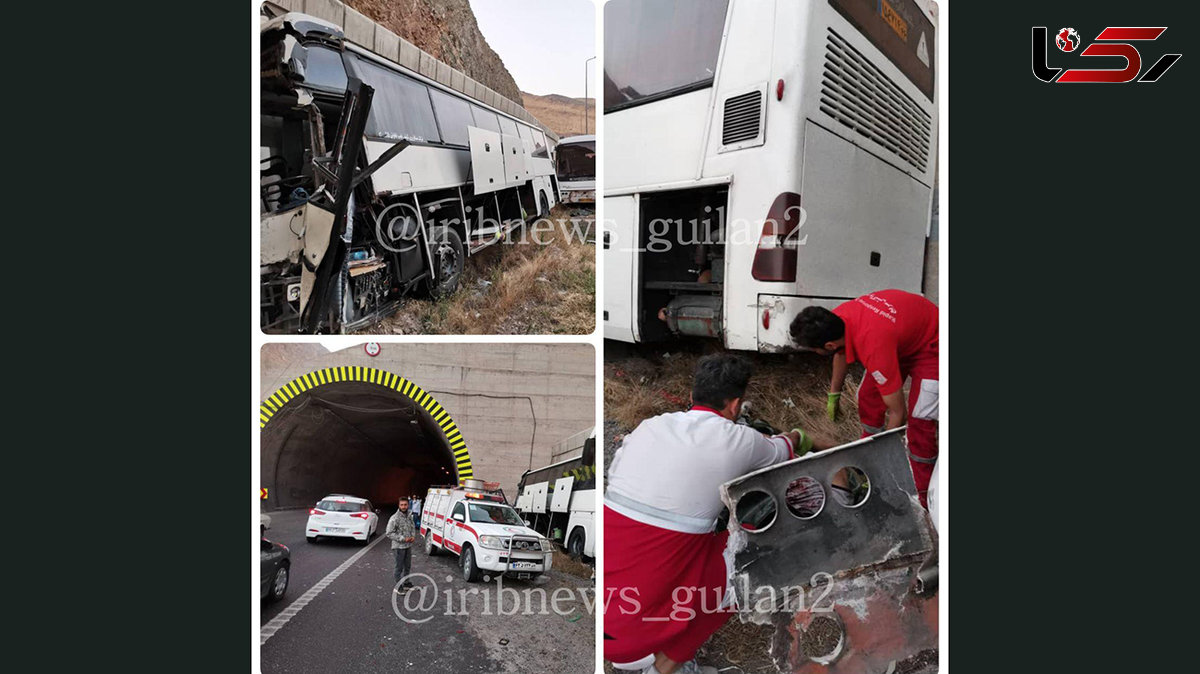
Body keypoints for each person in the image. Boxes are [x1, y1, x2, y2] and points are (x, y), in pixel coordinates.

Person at [604, 354, 826, 674]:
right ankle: (666, 667)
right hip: (637, 644)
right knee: (744, 570)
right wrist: (799, 435)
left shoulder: (648, 426)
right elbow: (783, 450)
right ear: (735, 405)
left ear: (692, 396)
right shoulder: (738, 438)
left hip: (614, 599)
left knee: (704, 545)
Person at [789, 290, 939, 506]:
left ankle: (925, 497)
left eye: (814, 349)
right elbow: (840, 355)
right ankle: (867, 450)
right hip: (903, 336)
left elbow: (898, 413)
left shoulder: (873, 345)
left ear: (828, 345)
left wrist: (883, 459)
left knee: (920, 422)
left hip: (934, 344)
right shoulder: (837, 319)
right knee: (868, 396)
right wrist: (834, 394)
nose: (815, 352)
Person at [386, 498, 417, 592]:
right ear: (399, 506)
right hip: (398, 547)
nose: (403, 507)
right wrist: (403, 539)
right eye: (402, 505)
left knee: (407, 566)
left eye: (405, 505)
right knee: (398, 567)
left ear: (408, 505)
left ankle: (406, 583)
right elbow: (389, 533)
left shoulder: (409, 516)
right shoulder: (394, 518)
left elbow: (412, 527)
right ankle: (398, 586)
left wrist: (413, 536)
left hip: (408, 546)